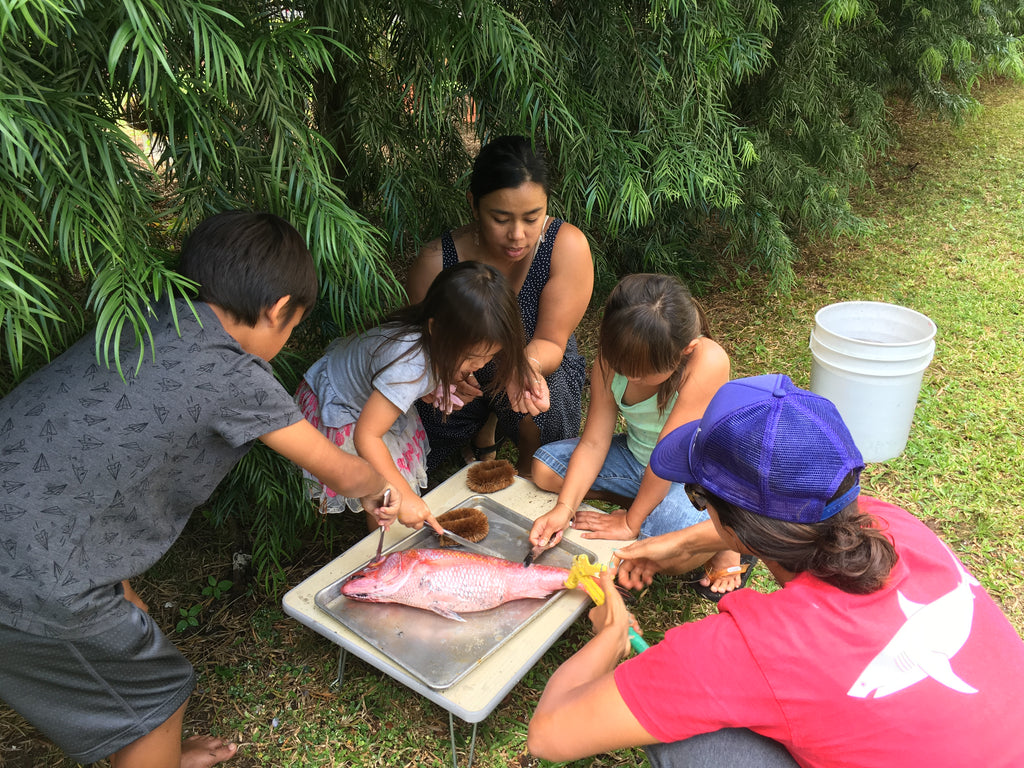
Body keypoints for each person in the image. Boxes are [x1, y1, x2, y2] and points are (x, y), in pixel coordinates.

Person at [0, 211, 402, 768]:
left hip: (32, 516)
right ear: (280, 309)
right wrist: (379, 481)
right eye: (292, 329)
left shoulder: (142, 316)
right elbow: (337, 469)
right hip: (30, 574)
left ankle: (158, 754)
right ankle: (154, 747)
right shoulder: (235, 375)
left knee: (125, 623)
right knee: (157, 693)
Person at [528, 374, 1024, 767]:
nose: (699, 510)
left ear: (739, 530)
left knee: (693, 740)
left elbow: (548, 734)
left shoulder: (752, 650)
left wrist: (612, 635)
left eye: (698, 498)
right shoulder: (893, 523)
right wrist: (673, 542)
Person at [527, 274, 747, 597]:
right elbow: (593, 442)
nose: (630, 376)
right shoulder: (610, 359)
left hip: (694, 479)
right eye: (622, 364)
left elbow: (667, 457)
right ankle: (649, 508)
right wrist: (565, 508)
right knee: (545, 468)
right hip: (638, 459)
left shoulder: (707, 360)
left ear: (685, 350)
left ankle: (724, 536)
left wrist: (631, 524)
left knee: (659, 536)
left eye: (643, 371)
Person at [406, 134, 594, 476]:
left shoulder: (565, 247)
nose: (518, 235)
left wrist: (524, 367)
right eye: (501, 218)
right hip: (461, 370)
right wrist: (443, 371)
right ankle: (480, 424)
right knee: (417, 449)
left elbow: (553, 339)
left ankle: (526, 486)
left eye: (532, 218)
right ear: (473, 204)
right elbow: (422, 342)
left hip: (534, 355)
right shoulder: (436, 262)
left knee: (545, 416)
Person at [297, 260, 532, 530]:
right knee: (386, 485)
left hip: (363, 398)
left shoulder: (425, 342)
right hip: (340, 405)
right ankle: (386, 548)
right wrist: (405, 496)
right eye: (470, 357)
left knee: (392, 480)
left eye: (490, 355)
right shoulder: (410, 366)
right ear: (436, 330)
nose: (479, 366)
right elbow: (367, 435)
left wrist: (441, 382)